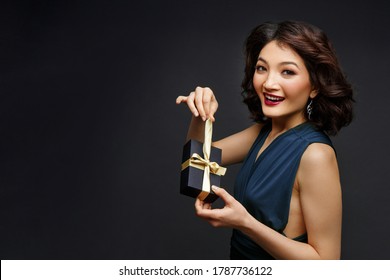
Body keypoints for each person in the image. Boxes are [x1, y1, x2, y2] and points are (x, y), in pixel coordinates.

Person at [176, 20, 354, 260]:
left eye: (287, 72)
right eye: (262, 68)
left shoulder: (315, 155)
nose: (269, 83)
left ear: (314, 86)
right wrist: (201, 115)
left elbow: (327, 265)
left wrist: (246, 223)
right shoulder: (263, 133)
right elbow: (195, 166)